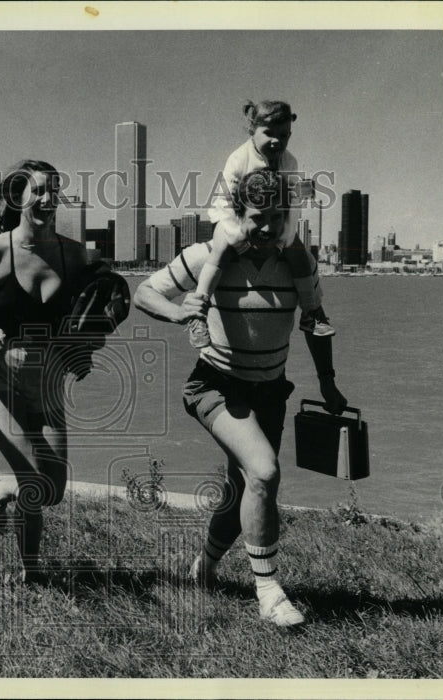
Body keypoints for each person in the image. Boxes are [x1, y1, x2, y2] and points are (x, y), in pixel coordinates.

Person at [133, 167, 348, 627]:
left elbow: (315, 320)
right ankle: (269, 593)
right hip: (215, 386)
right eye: (257, 217)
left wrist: (328, 382)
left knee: (242, 491)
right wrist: (177, 312)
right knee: (264, 472)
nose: (269, 228)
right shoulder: (207, 255)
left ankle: (204, 568)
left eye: (278, 216)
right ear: (236, 214)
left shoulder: (297, 265)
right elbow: (144, 292)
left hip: (270, 390)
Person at [0, 159, 88, 583]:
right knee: (32, 476)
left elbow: (83, 321)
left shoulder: (73, 255)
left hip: (47, 383)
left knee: (53, 489)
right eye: (40, 191)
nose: (49, 199)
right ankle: (32, 572)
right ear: (18, 197)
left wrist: (81, 350)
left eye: (55, 191)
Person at [189, 99, 334, 348]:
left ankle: (311, 312)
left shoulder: (290, 163)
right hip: (233, 220)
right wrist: (238, 239)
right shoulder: (238, 159)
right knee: (220, 252)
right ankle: (198, 313)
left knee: (299, 255)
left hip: (272, 222)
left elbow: (293, 205)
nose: (277, 140)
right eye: (268, 133)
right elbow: (224, 202)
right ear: (251, 131)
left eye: (284, 135)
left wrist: (285, 239)